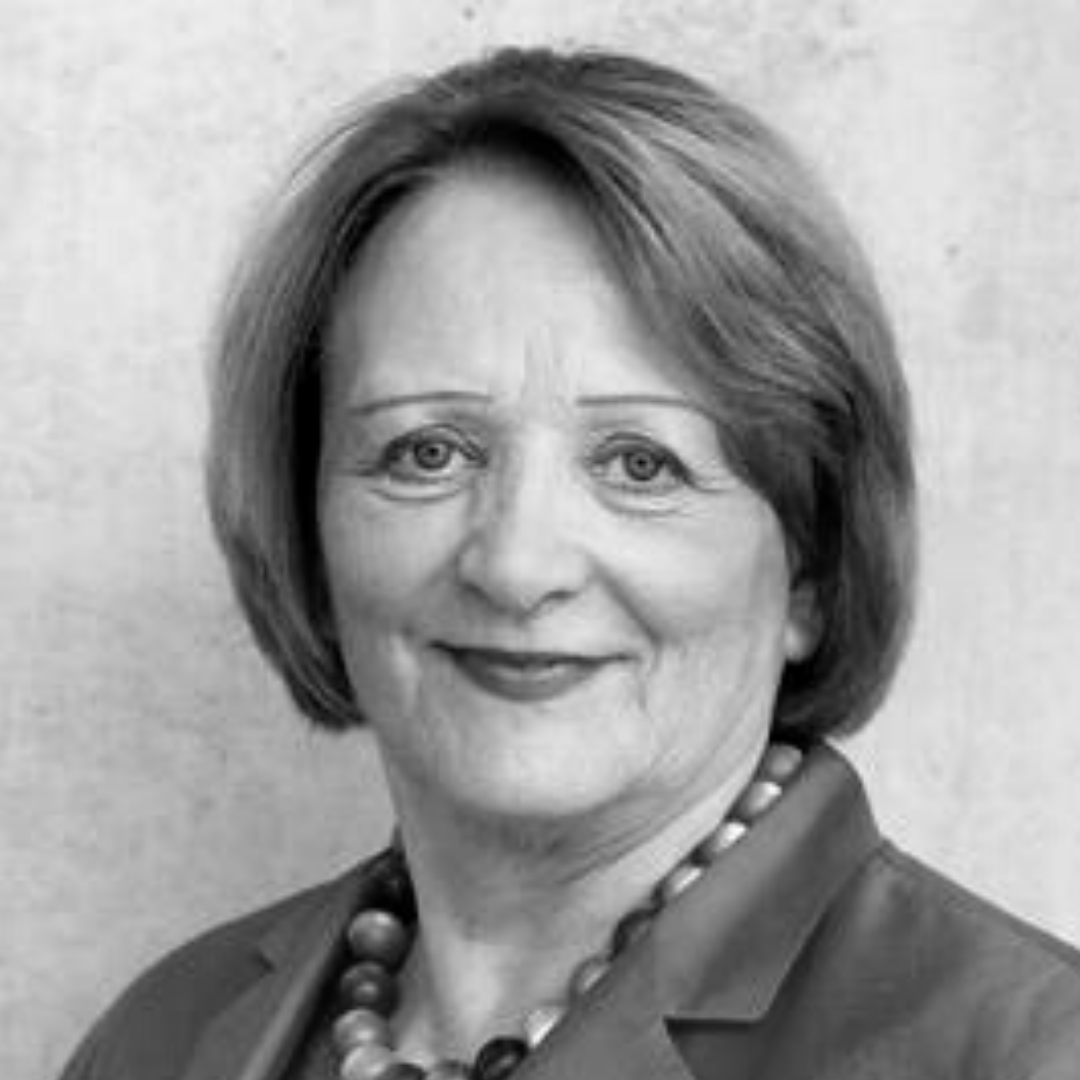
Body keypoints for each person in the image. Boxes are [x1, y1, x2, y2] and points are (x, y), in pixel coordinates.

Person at [59, 45, 1080, 1080]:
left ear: (809, 565)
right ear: (305, 519)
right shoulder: (160, 1039)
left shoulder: (1030, 1054)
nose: (516, 566)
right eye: (428, 452)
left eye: (639, 463)